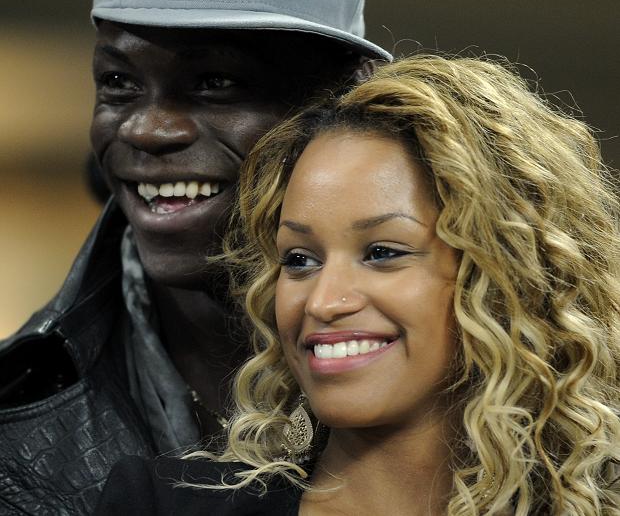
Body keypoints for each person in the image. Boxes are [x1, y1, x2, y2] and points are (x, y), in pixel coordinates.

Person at [0, 0, 391, 514]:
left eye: (217, 83)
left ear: (346, 102)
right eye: (119, 82)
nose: (148, 129)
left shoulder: (485, 399)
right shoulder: (17, 414)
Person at [96, 55, 620, 515]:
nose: (323, 302)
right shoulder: (163, 505)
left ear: (507, 277)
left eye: (382, 253)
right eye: (300, 260)